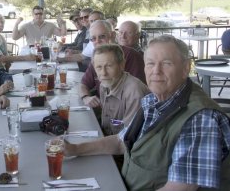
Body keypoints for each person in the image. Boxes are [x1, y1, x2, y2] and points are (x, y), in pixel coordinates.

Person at [65, 35, 230, 190]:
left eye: (166, 63)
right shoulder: (153, 100)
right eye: (150, 63)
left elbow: (180, 188)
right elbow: (120, 141)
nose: (156, 71)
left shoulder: (201, 118)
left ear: (186, 68)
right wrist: (74, 150)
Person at [79, 20, 146, 108]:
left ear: (113, 35)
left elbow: (137, 93)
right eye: (93, 38)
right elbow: (83, 84)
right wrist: (86, 97)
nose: (97, 41)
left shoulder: (130, 55)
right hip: (104, 110)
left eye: (102, 36)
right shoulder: (97, 57)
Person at [92, 44, 149, 135]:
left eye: (109, 66)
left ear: (122, 65)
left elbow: (129, 136)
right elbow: (111, 123)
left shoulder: (134, 92)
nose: (103, 73)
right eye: (99, 67)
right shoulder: (104, 84)